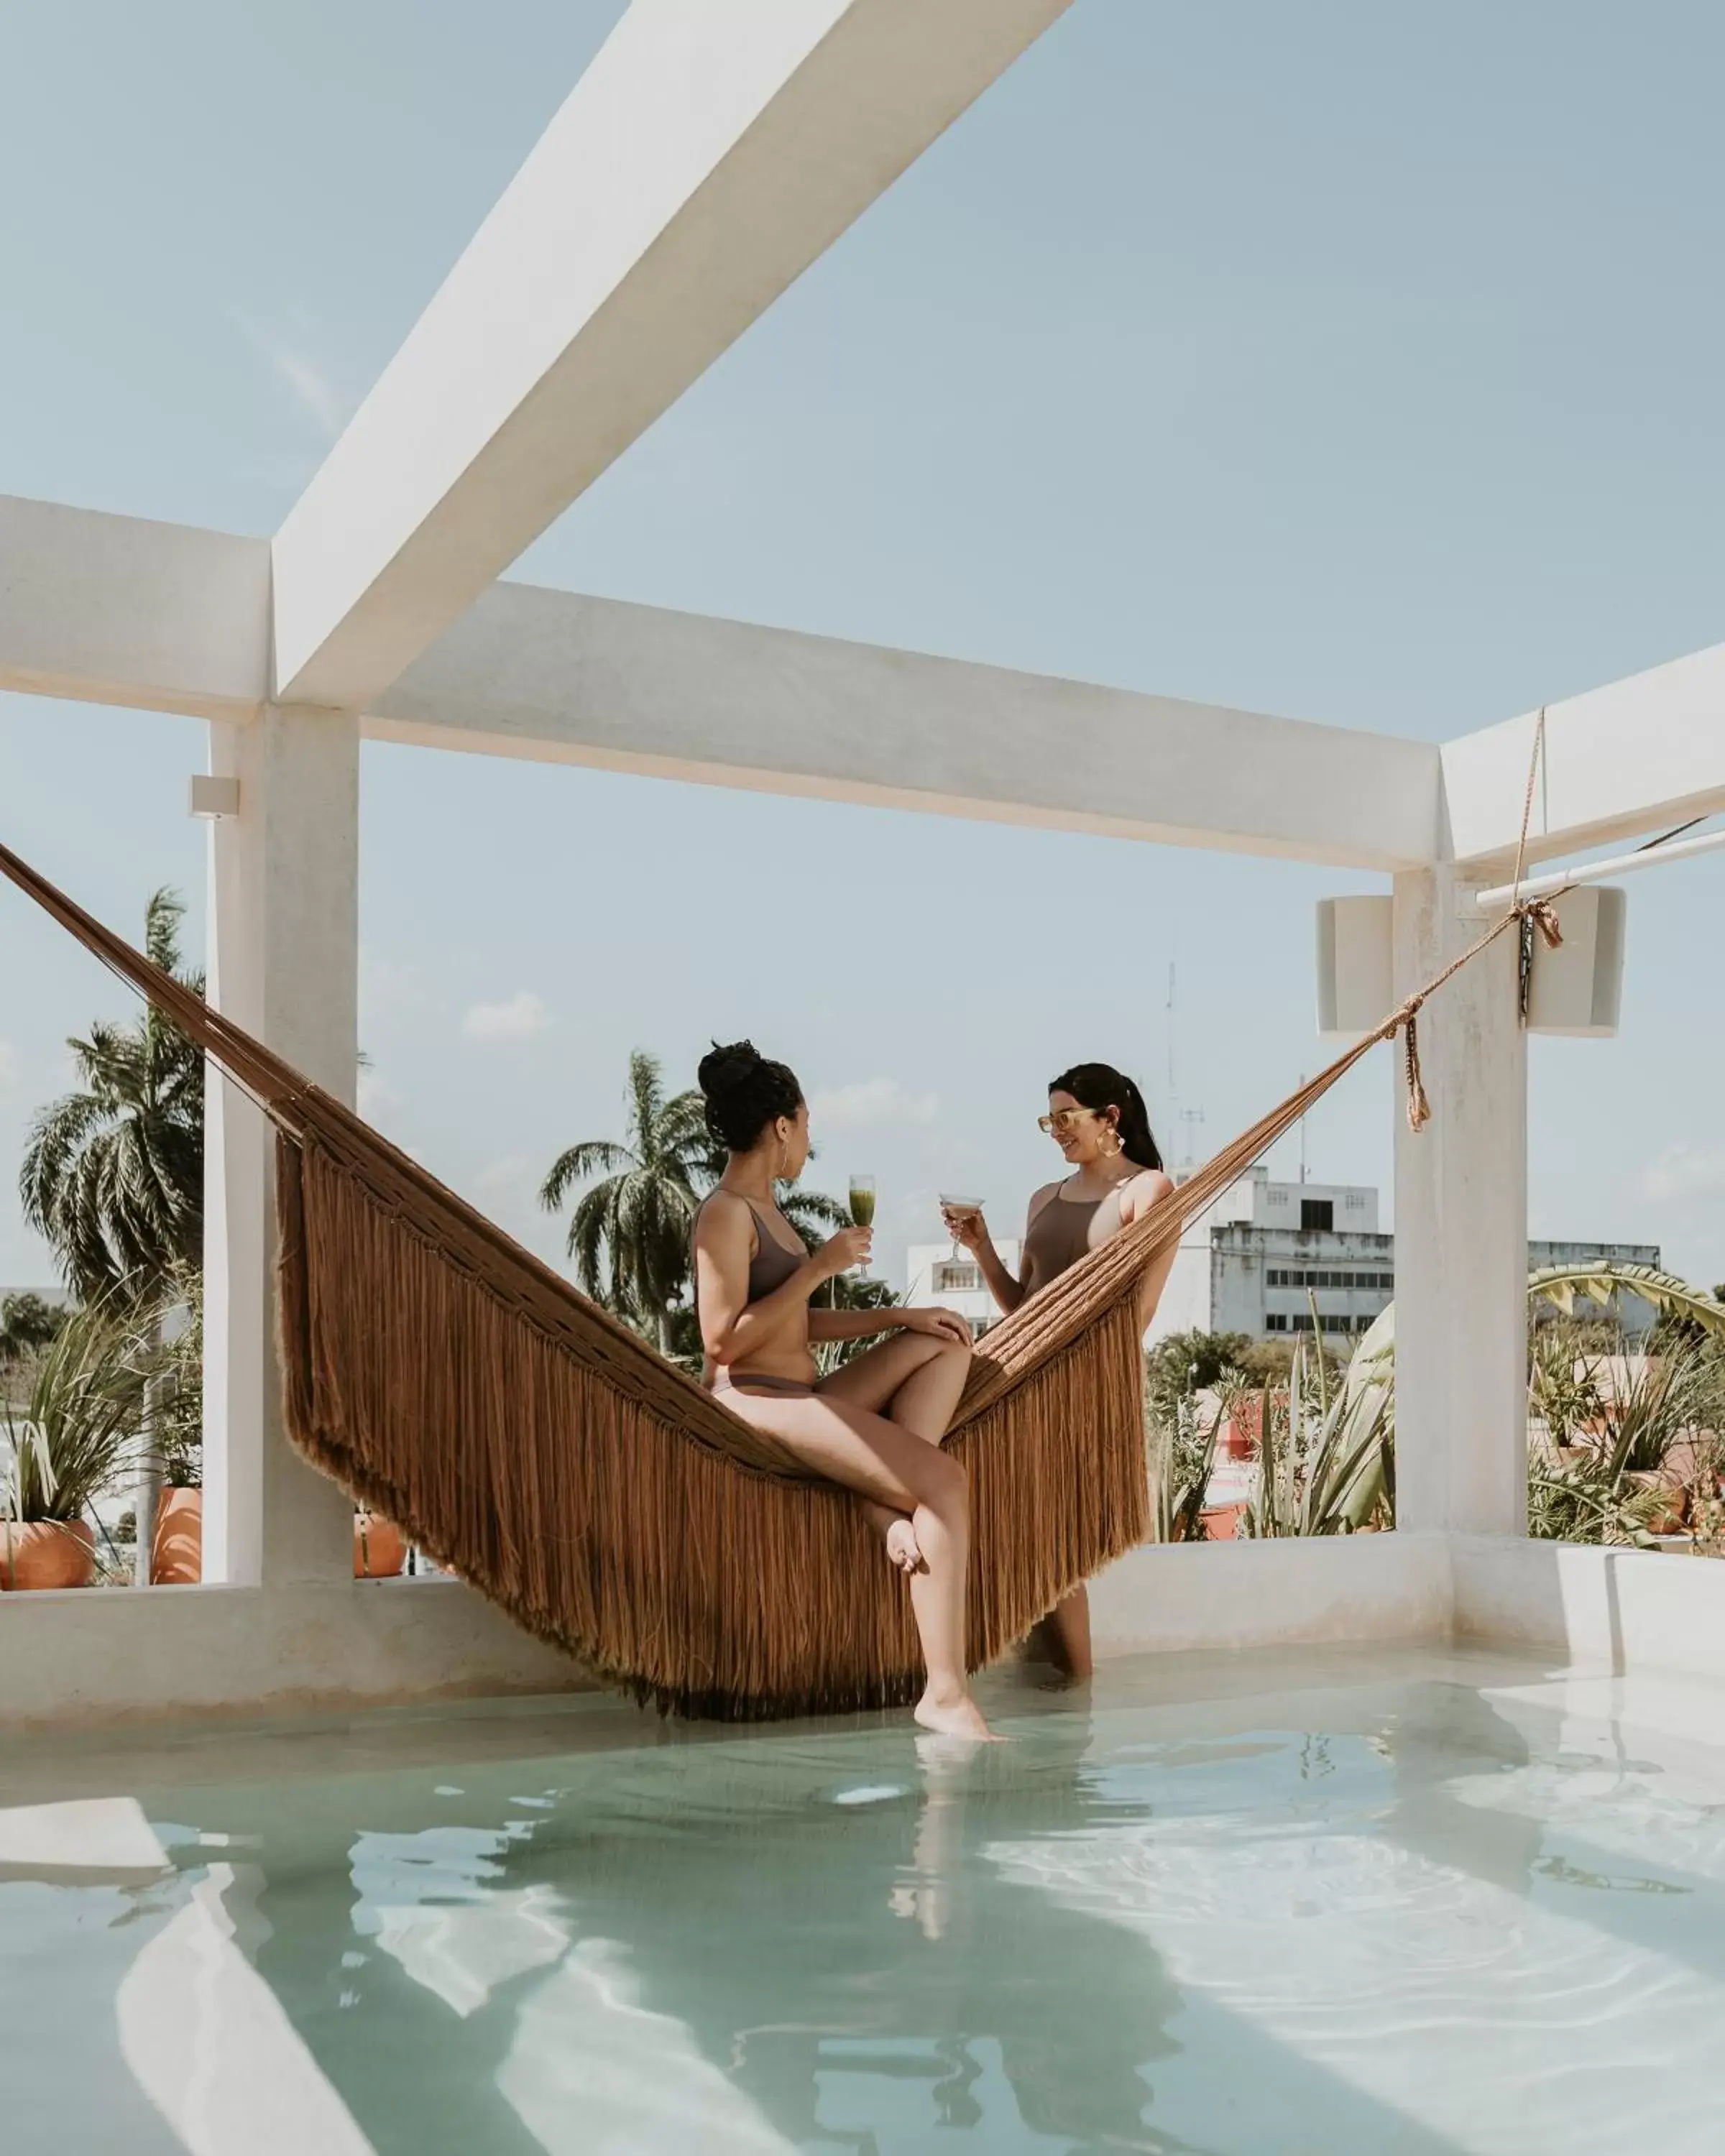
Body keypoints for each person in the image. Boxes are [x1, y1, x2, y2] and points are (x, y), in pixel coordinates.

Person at [690, 1041, 997, 1741]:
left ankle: (883, 1498)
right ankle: (944, 1694)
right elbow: (721, 1343)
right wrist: (820, 1265)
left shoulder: (767, 1210)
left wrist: (898, 1316)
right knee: (945, 1483)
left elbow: (795, 1322)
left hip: (804, 1394)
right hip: (754, 1401)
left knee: (940, 1341)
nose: (808, 1142)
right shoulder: (726, 1212)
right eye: (806, 1124)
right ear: (782, 1127)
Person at [942, 1062, 1177, 1682]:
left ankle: (1077, 1692)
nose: (1055, 1131)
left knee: (1058, 1541)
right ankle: (1043, 1686)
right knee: (1007, 1522)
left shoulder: (1147, 1193)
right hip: (1013, 1376)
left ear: (1110, 1120)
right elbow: (1023, 1304)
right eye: (1049, 1120)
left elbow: (1140, 1312)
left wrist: (1072, 1385)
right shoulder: (1043, 1199)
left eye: (1066, 1118)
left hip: (1086, 1388)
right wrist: (981, 1247)